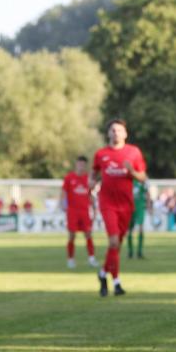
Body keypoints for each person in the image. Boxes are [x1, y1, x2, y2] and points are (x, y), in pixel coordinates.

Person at [91, 119, 147, 297]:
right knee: (114, 242)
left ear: (125, 134)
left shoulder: (133, 152)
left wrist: (132, 172)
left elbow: (143, 177)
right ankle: (116, 282)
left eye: (119, 130)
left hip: (126, 205)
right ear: (108, 133)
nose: (116, 133)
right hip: (107, 204)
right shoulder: (101, 154)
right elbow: (94, 174)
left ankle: (102, 274)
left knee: (116, 246)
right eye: (113, 130)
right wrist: (92, 183)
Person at [61, 156, 98, 269]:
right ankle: (70, 259)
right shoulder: (69, 178)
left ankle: (91, 258)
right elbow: (63, 192)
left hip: (85, 211)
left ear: (85, 165)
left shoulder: (88, 179)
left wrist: (94, 207)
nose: (81, 166)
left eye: (83, 164)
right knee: (72, 235)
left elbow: (91, 195)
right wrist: (63, 204)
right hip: (72, 211)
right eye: (79, 163)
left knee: (88, 234)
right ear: (76, 164)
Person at [127, 178, 150, 259]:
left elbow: (147, 193)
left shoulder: (142, 181)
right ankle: (130, 251)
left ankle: (139, 251)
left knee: (140, 228)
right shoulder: (129, 180)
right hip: (130, 208)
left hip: (140, 207)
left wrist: (148, 205)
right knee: (130, 230)